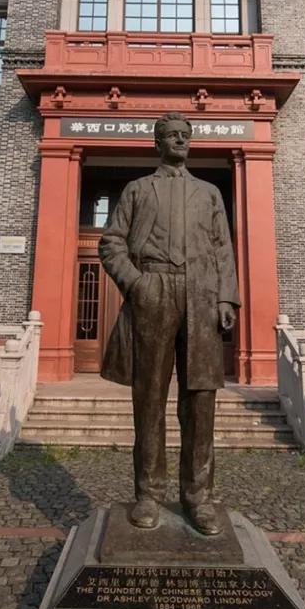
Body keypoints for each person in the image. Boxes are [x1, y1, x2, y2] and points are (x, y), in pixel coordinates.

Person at [98, 112, 239, 535]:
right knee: (150, 398)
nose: (179, 141)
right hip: (153, 290)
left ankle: (198, 496)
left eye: (184, 135)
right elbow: (111, 242)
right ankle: (149, 493)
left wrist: (226, 297)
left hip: (201, 294)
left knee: (200, 401)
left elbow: (223, 248)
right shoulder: (138, 189)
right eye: (171, 136)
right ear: (156, 144)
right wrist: (135, 283)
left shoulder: (209, 193)